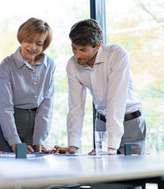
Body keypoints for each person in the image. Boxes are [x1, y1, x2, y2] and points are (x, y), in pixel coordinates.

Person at [53, 19, 146, 155]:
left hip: (130, 122)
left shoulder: (117, 55)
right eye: (74, 48)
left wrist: (111, 146)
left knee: (131, 174)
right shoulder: (72, 65)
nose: (77, 55)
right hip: (102, 123)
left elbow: (116, 100)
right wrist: (72, 145)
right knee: (105, 172)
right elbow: (75, 106)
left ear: (98, 45)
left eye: (83, 50)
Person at [0, 18, 55, 153]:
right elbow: (5, 107)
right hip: (11, 126)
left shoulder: (50, 64)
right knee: (12, 168)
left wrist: (39, 139)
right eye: (28, 41)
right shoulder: (7, 65)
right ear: (21, 39)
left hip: (35, 127)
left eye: (39, 43)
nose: (33, 47)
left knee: (34, 168)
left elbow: (47, 104)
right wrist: (14, 141)